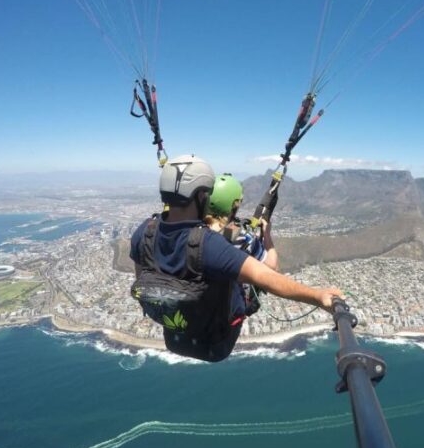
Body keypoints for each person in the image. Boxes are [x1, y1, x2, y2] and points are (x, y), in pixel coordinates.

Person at [129, 154, 342, 362]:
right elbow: (268, 275)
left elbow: (142, 279)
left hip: (175, 338)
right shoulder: (209, 245)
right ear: (202, 196)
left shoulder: (145, 232)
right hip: (214, 344)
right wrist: (317, 296)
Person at [206, 173, 276, 316]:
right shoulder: (243, 239)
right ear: (234, 205)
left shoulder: (193, 230)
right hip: (224, 319)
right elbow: (272, 266)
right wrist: (267, 235)